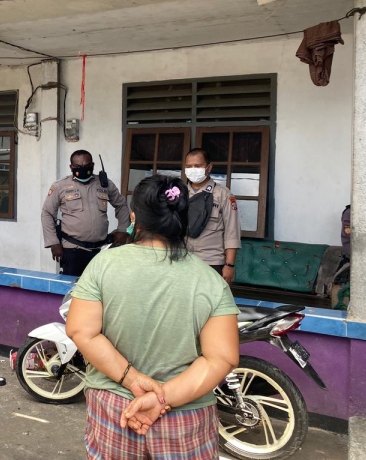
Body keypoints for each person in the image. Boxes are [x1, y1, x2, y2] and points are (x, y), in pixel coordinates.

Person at [66, 175, 240, 459]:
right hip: (186, 417)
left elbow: (81, 331)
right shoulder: (210, 280)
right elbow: (222, 358)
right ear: (183, 219)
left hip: (116, 408)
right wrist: (162, 398)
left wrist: (133, 380)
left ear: (134, 218)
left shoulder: (104, 264)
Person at [41, 150, 130, 276]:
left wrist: (123, 229)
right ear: (71, 167)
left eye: (86, 166)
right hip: (73, 250)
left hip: (101, 250)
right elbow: (47, 213)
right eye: (77, 167)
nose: (82, 169)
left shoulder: (104, 184)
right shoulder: (60, 186)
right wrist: (53, 242)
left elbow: (121, 205)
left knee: (100, 290)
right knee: (73, 290)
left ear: (92, 165)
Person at [184, 148, 241, 283]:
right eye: (188, 166)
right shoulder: (179, 193)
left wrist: (229, 265)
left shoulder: (223, 194)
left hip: (211, 261)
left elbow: (232, 231)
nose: (193, 169)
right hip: (183, 259)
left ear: (209, 168)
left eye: (197, 166)